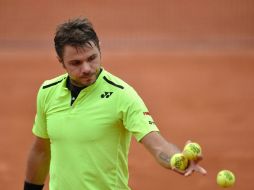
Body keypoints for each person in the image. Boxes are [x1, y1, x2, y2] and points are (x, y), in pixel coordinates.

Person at [24, 17, 207, 190]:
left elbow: (156, 144)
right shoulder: (48, 92)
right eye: (76, 63)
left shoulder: (122, 95)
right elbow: (41, 151)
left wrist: (176, 158)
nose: (86, 68)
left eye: (92, 58)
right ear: (61, 62)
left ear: (100, 49)